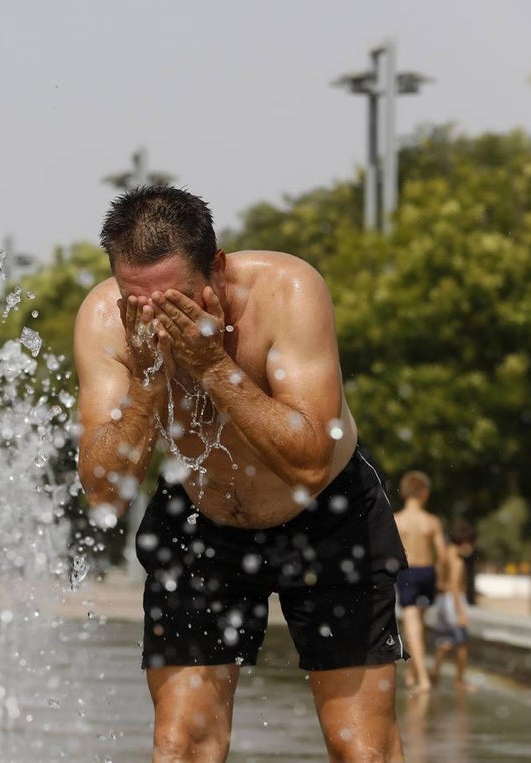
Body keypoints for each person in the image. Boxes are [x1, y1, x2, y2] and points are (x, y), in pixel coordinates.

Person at [74, 185, 409, 762]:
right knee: (182, 744)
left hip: (328, 515)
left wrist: (211, 364)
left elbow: (309, 462)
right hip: (199, 516)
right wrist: (148, 384)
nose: (158, 321)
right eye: (139, 303)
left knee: (361, 749)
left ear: (219, 269)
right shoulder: (108, 319)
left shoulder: (288, 291)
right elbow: (104, 493)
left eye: (177, 301)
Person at [393, 471, 447, 692]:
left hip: (408, 573)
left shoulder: (397, 520)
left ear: (404, 492)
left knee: (413, 627)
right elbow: (442, 555)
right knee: (418, 626)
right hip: (427, 573)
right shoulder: (431, 521)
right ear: (425, 493)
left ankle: (421, 679)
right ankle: (413, 674)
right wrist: (441, 580)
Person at [431, 520, 477, 689]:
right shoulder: (458, 561)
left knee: (445, 642)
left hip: (442, 601)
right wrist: (461, 612)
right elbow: (455, 587)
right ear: (465, 542)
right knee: (462, 645)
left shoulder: (443, 557)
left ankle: (434, 673)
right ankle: (459, 681)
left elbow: (439, 581)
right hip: (454, 602)